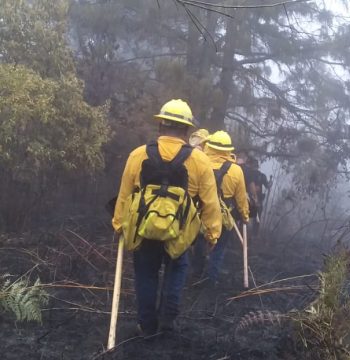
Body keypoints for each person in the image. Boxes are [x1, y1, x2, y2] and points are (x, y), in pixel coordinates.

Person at [112, 99, 222, 335]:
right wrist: (212, 234)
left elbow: (124, 195)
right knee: (177, 269)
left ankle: (146, 324)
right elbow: (211, 203)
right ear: (187, 129)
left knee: (146, 272)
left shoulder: (138, 155)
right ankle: (168, 320)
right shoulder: (200, 160)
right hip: (180, 232)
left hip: (144, 229)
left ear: (161, 125)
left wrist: (119, 224)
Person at [202, 131, 249, 283]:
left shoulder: (200, 163)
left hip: (200, 212)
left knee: (199, 242)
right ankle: (212, 278)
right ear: (229, 149)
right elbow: (241, 198)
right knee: (220, 247)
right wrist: (245, 216)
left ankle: (196, 273)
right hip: (225, 216)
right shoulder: (236, 170)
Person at [247, 158, 270, 236]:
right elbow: (268, 186)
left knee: (255, 218)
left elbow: (268, 186)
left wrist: (270, 183)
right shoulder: (248, 174)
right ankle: (253, 234)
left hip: (256, 200)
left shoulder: (261, 176)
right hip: (249, 199)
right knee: (254, 218)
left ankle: (252, 235)